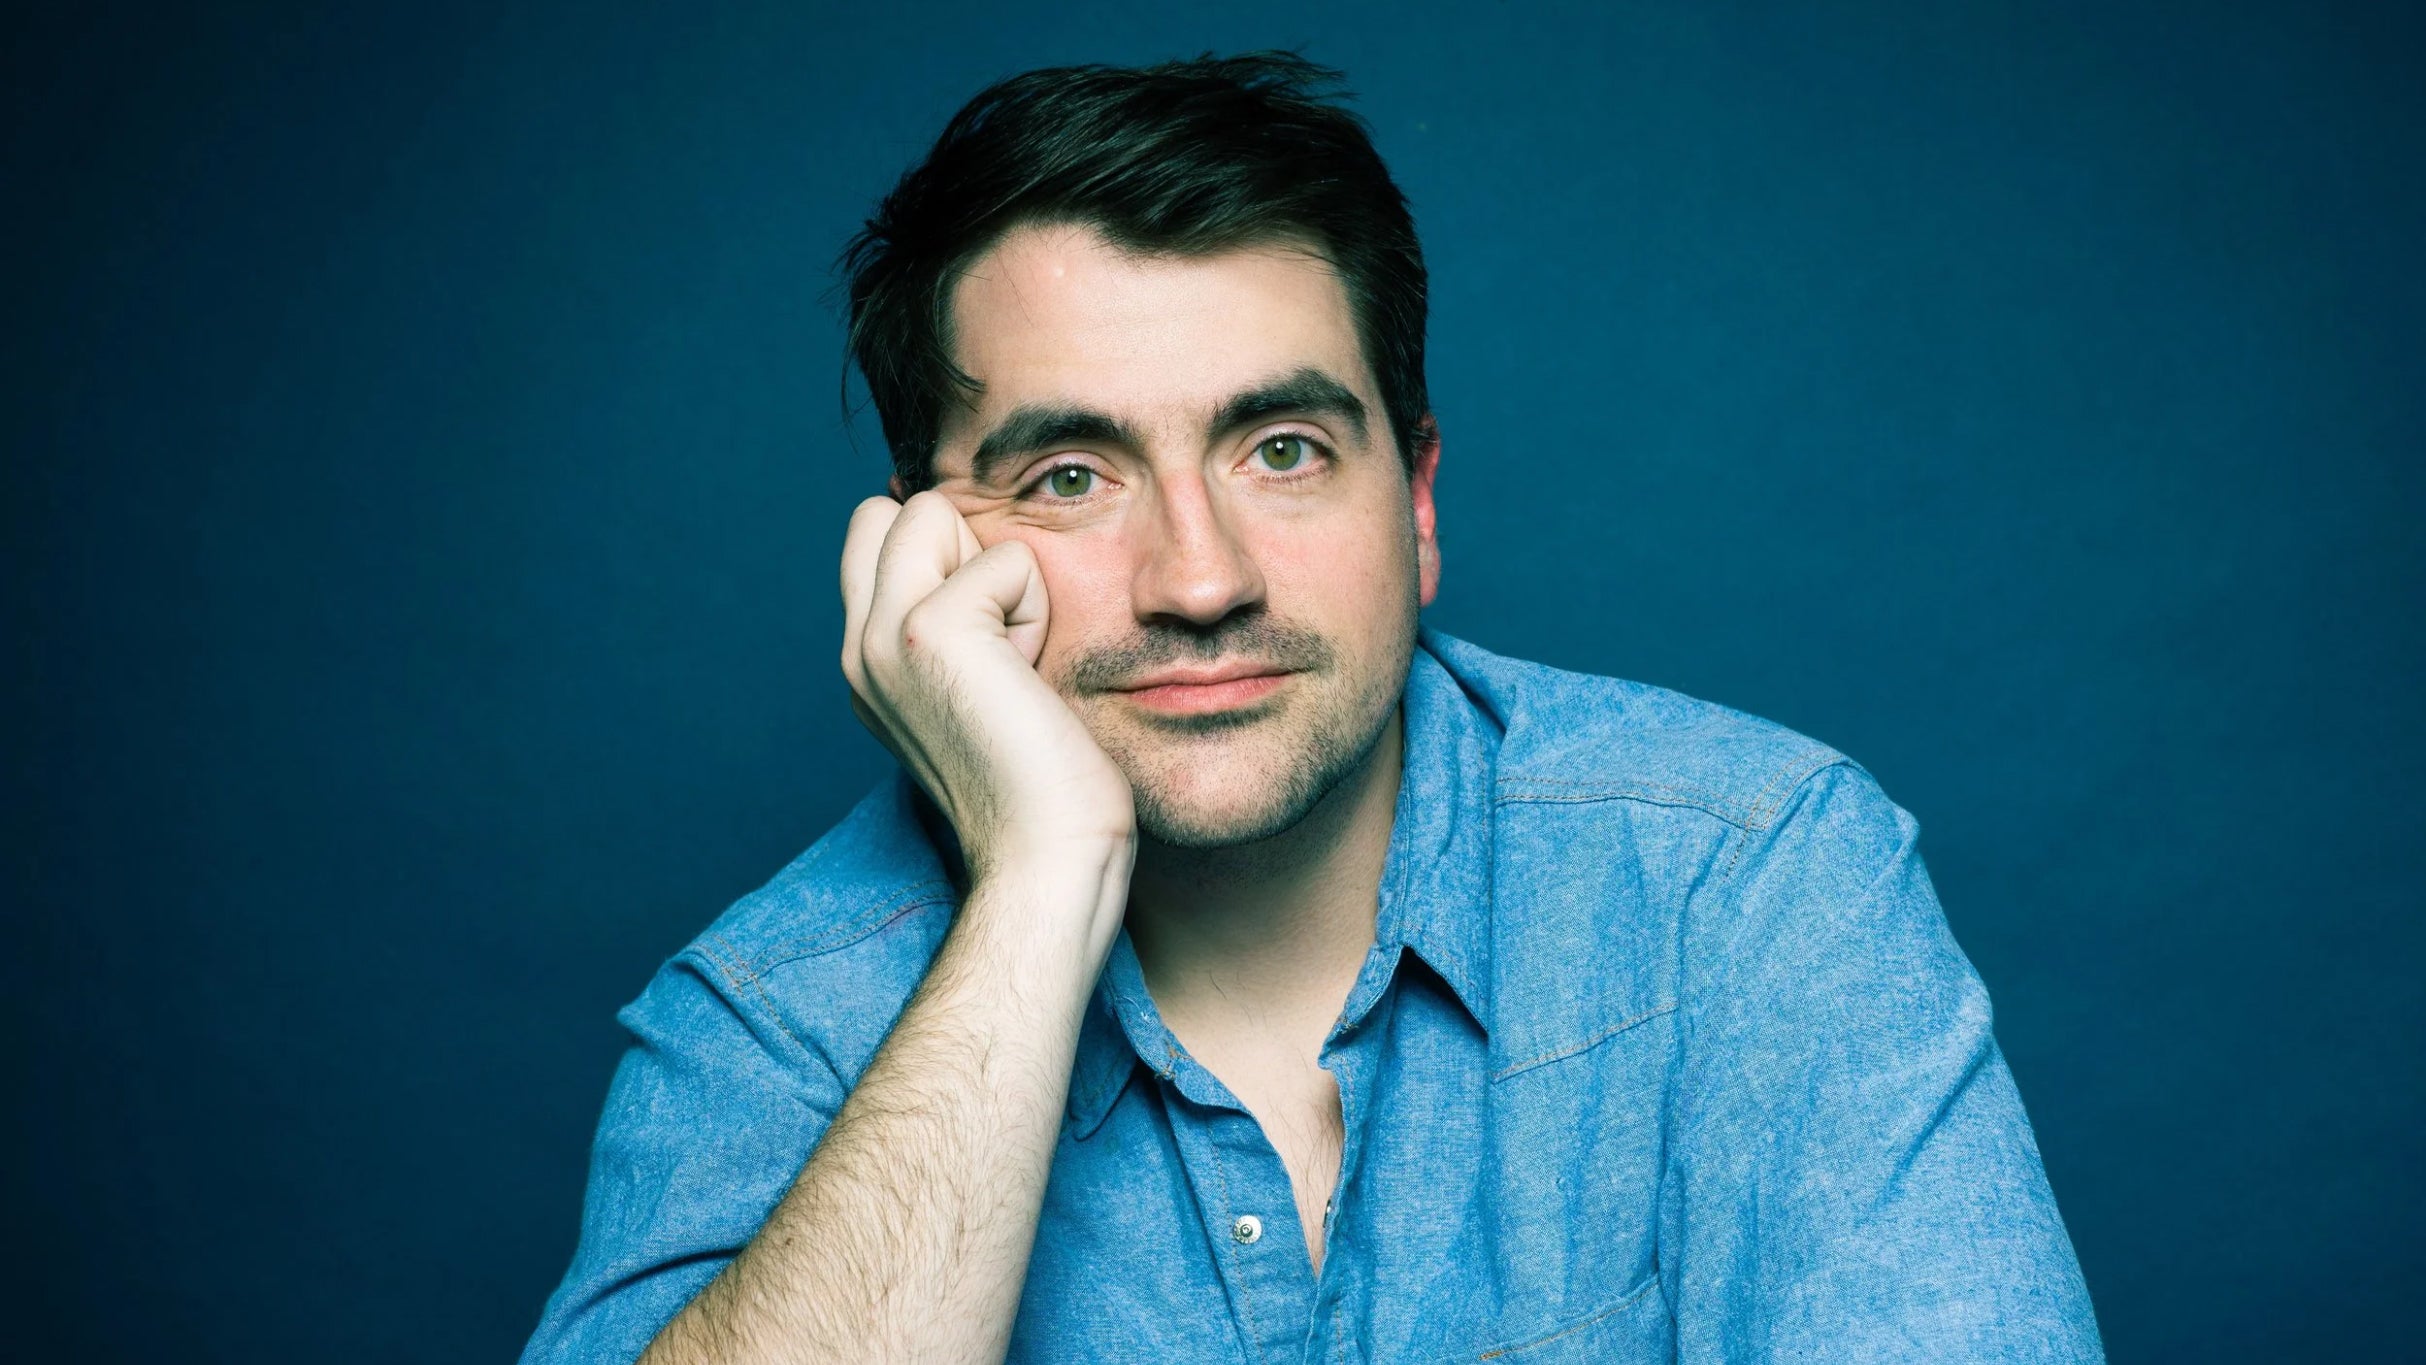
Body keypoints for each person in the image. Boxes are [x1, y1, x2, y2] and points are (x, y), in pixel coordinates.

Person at [520, 52, 2105, 1364]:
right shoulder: (774, 1019)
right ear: (926, 560)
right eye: (1069, 477)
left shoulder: (1743, 877)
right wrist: (1042, 879)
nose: (1199, 577)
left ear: (1413, 500)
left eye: (1280, 450)